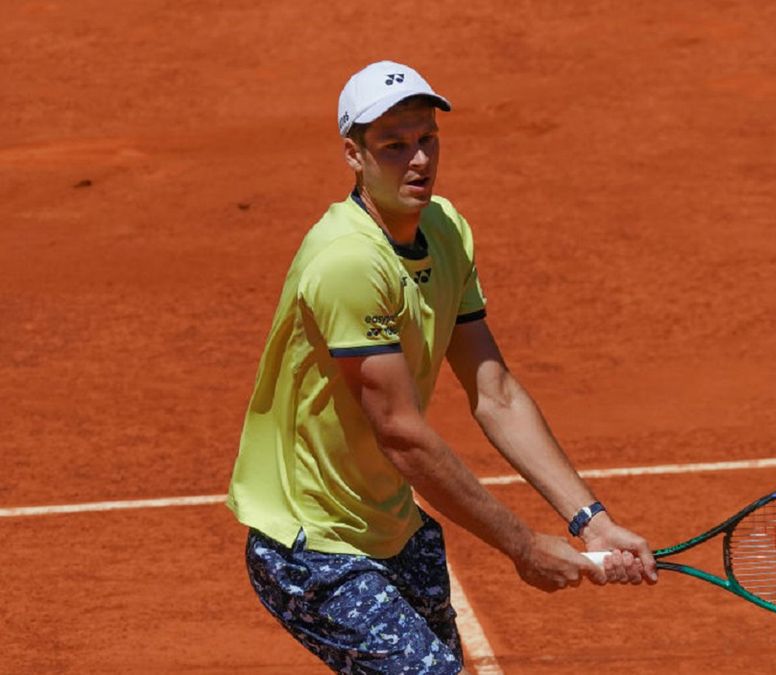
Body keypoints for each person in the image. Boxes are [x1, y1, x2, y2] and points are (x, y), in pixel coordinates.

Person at [226, 60, 657, 674]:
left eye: (427, 138)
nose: (419, 160)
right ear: (354, 154)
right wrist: (522, 544)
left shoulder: (446, 229)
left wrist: (592, 521)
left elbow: (496, 392)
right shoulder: (349, 262)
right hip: (311, 548)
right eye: (394, 146)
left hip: (392, 527)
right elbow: (402, 435)